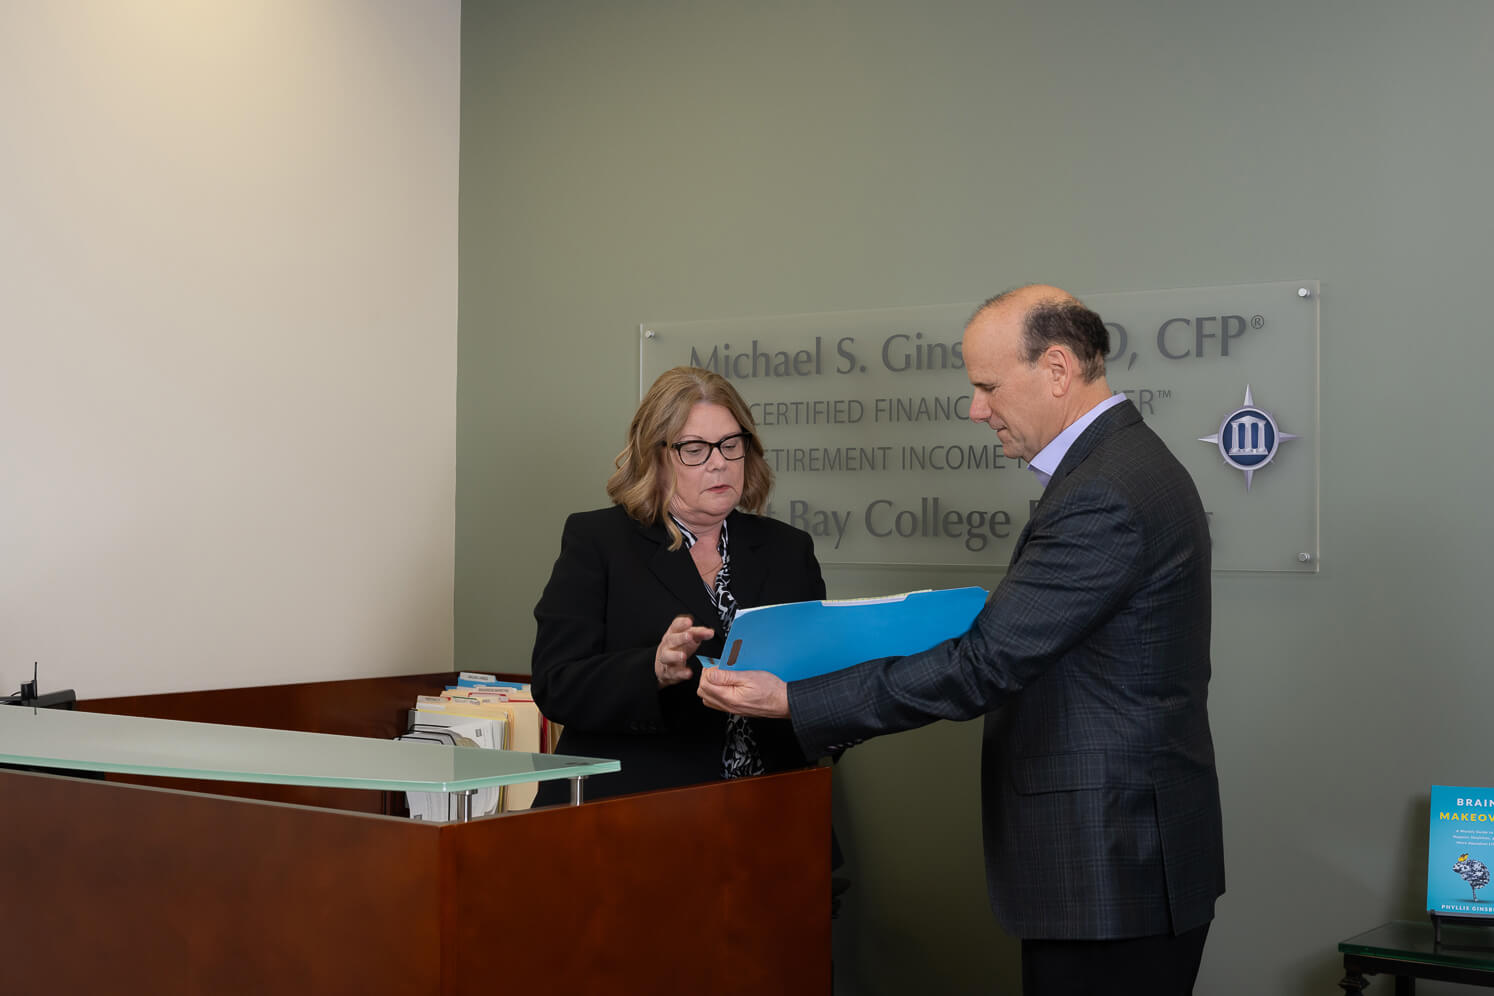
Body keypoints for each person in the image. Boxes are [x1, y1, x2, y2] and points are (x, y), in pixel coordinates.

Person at [699, 285, 1225, 995]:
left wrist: (798, 699)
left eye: (986, 386)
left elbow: (985, 665)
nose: (976, 408)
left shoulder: (1105, 491)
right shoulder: (1128, 464)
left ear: (1059, 369)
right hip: (1129, 850)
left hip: (1110, 859)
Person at [530, 365, 826, 806]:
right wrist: (653, 668)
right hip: (634, 817)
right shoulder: (598, 542)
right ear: (655, 456)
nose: (719, 461)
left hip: (770, 813)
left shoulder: (788, 549)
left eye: (730, 444)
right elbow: (556, 683)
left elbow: (818, 679)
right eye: (694, 448)